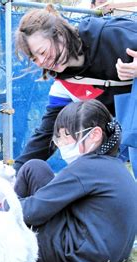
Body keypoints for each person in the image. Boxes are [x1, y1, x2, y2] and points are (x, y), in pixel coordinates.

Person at [13, 5, 137, 176]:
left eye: (42, 51)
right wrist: (13, 174)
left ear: (60, 33)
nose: (42, 61)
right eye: (35, 59)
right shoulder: (64, 85)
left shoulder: (112, 34)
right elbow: (47, 133)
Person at [14, 100, 136, 262]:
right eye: (59, 137)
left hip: (78, 254)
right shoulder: (114, 166)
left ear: (94, 135)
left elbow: (32, 211)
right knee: (35, 168)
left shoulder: (86, 167)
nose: (62, 143)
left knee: (27, 176)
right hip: (107, 252)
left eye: (67, 135)